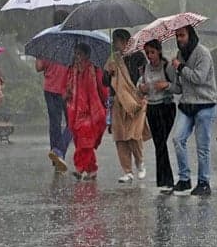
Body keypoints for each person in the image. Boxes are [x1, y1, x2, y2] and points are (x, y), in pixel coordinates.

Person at [171, 25, 217, 196]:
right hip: (186, 105)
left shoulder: (203, 53)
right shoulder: (179, 55)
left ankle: (204, 182)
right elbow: (179, 86)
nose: (179, 39)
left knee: (202, 146)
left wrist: (180, 68)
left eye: (182, 35)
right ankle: (184, 179)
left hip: (205, 104)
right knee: (178, 139)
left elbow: (199, 78)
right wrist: (166, 83)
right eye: (177, 36)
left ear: (190, 35)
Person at [104, 29, 150, 183]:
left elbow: (145, 76)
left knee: (134, 134)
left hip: (136, 101)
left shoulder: (138, 56)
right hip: (118, 102)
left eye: (116, 41)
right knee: (120, 137)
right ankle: (127, 171)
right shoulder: (113, 59)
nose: (114, 44)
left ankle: (140, 163)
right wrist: (108, 73)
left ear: (125, 41)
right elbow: (105, 82)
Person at [138, 39, 181, 193]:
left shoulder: (167, 67)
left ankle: (167, 180)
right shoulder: (144, 69)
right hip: (152, 108)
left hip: (166, 107)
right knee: (158, 143)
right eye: (147, 53)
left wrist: (166, 85)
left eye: (152, 52)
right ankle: (164, 181)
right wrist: (141, 88)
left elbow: (178, 88)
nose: (150, 56)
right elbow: (139, 87)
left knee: (161, 142)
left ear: (159, 51)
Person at [65, 43, 108, 180]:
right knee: (81, 142)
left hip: (91, 112)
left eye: (80, 54)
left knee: (86, 142)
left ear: (87, 55)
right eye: (76, 53)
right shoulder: (72, 71)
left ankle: (79, 168)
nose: (77, 57)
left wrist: (107, 104)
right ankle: (92, 169)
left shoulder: (94, 70)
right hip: (75, 112)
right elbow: (65, 89)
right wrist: (66, 93)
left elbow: (103, 89)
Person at [36, 9, 71, 173]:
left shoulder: (47, 40)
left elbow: (38, 67)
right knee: (72, 123)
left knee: (54, 124)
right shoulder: (71, 40)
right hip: (68, 88)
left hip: (50, 88)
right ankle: (59, 152)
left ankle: (55, 156)